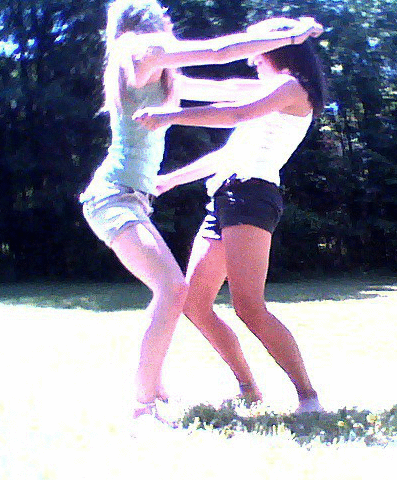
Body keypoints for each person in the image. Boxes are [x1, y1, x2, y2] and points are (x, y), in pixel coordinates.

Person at [80, 0, 323, 427]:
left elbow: (232, 98)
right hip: (214, 197)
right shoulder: (144, 57)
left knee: (240, 305)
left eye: (261, 52)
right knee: (189, 298)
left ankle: (306, 395)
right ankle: (242, 388)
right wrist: (173, 179)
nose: (254, 59)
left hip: (247, 196)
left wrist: (171, 117)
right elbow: (227, 127)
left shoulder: (288, 87)